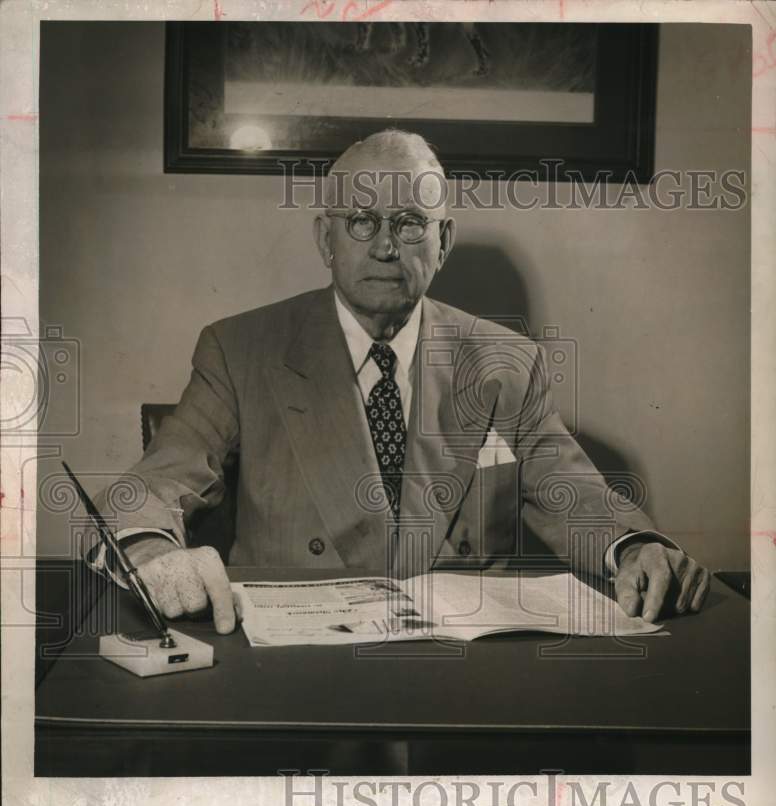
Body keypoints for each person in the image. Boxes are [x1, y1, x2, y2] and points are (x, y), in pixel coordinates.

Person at [85, 130, 710, 634]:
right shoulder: (240, 349)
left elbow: (573, 495)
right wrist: (150, 553)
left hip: (463, 673)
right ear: (325, 239)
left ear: (444, 241)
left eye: (410, 222)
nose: (385, 246)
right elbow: (154, 484)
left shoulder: (507, 362)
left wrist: (635, 546)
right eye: (361, 221)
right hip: (293, 668)